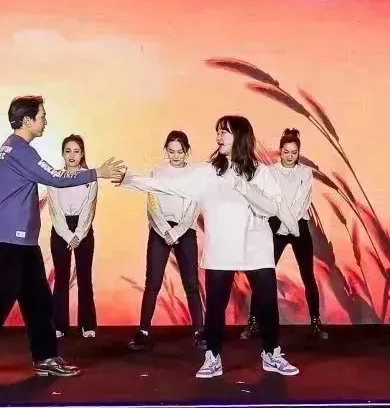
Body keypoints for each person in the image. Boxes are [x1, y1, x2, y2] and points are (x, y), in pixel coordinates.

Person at [0, 96, 124, 383]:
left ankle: (46, 358)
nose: (45, 121)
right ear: (27, 120)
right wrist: (97, 173)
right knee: (3, 297)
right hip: (7, 239)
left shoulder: (15, 148)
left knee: (39, 299)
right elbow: (56, 177)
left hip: (21, 241)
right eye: (42, 116)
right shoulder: (19, 150)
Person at [115, 116, 299, 379]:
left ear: (240, 136)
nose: (218, 137)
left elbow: (271, 208)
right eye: (218, 132)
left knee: (267, 305)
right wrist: (129, 179)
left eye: (224, 132)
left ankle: (272, 354)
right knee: (215, 307)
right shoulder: (207, 172)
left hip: (256, 248)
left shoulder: (261, 172)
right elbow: (168, 185)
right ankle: (212, 357)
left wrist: (242, 185)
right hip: (221, 249)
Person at [242, 128, 327, 341]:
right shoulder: (270, 171)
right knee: (263, 274)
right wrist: (281, 225)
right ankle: (253, 322)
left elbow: (302, 201)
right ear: (280, 151)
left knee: (308, 275)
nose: (290, 156)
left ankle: (316, 322)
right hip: (276, 225)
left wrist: (289, 226)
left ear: (299, 152)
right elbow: (272, 199)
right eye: (286, 152)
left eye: (294, 152)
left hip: (298, 226)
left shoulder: (305, 172)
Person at [128, 130, 205, 351]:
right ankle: (143, 331)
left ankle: (200, 331)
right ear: (166, 151)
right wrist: (165, 230)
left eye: (180, 152)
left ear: (187, 151)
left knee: (191, 283)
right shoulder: (157, 172)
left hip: (185, 230)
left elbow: (194, 205)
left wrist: (178, 231)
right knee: (152, 282)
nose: (175, 156)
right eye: (171, 151)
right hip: (160, 230)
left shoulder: (194, 174)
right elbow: (152, 204)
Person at [48, 134, 98, 338]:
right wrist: (68, 235)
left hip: (83, 229)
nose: (72, 155)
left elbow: (89, 208)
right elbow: (54, 210)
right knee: (61, 278)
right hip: (60, 229)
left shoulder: (90, 178)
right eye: (68, 151)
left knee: (85, 278)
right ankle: (59, 325)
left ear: (82, 154)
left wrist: (78, 234)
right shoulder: (55, 178)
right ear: (62, 153)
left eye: (76, 151)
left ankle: (88, 325)